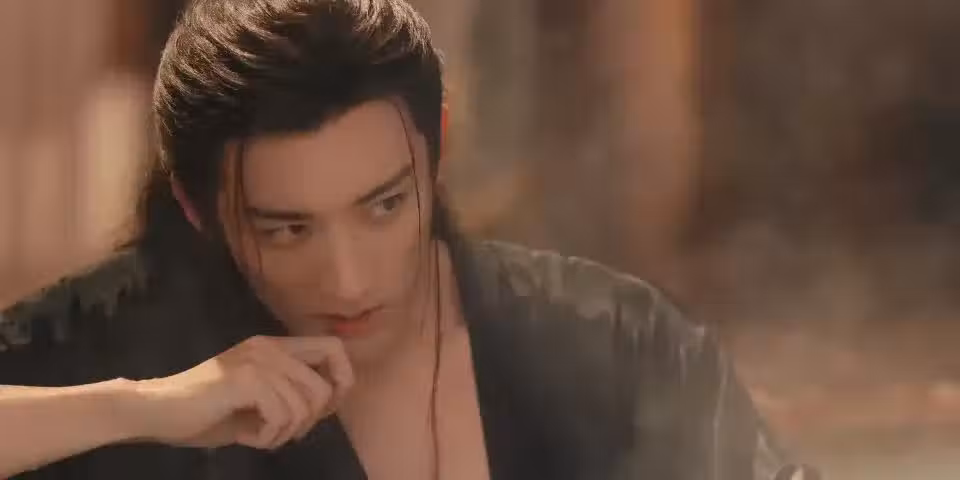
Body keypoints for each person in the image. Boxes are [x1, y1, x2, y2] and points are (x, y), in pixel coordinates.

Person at [0, 0, 817, 479]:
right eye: (288, 230)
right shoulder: (118, 345)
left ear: (439, 148)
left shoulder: (605, 339)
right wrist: (142, 408)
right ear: (195, 207)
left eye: (384, 206)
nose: (350, 280)